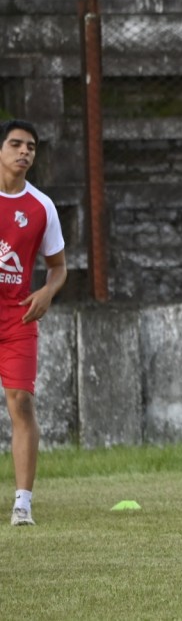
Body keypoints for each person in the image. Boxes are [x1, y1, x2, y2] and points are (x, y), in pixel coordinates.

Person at [0, 119, 67, 527]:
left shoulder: (41, 206)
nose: (24, 152)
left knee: (21, 402)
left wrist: (46, 292)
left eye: (31, 147)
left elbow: (58, 268)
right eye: (15, 144)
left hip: (18, 315)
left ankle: (23, 502)